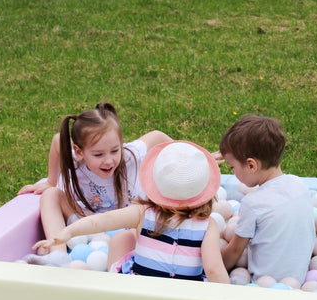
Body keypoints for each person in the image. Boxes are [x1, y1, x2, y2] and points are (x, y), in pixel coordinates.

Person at [33, 141, 230, 284]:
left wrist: (68, 232)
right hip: (186, 296)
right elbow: (213, 268)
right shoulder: (207, 225)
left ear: (155, 184)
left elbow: (102, 221)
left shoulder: (142, 213)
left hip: (141, 292)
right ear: (206, 190)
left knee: (122, 247)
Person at [20, 102, 172, 257]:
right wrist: (50, 182)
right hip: (85, 225)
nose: (108, 161)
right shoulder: (77, 159)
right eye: (98, 155)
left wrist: (189, 161)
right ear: (79, 152)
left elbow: (158, 136)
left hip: (127, 227)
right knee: (51, 194)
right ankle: (58, 255)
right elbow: (57, 141)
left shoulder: (130, 155)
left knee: (143, 223)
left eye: (114, 150)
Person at [213, 114, 315, 284]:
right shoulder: (299, 185)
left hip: (264, 286)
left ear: (251, 165)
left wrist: (208, 267)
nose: (232, 172)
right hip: (299, 279)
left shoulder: (253, 203)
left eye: (232, 167)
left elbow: (235, 252)